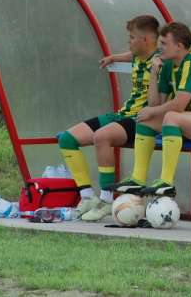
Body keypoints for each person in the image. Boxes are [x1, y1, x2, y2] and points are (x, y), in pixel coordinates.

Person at [106, 22, 191, 197]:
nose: (160, 47)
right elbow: (154, 105)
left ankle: (166, 182)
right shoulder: (168, 64)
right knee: (147, 120)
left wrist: (152, 111)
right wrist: (153, 74)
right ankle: (137, 179)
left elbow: (179, 104)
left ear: (179, 46)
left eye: (164, 44)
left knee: (172, 116)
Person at [57, 15, 160, 221]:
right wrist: (113, 58)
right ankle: (87, 196)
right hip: (123, 114)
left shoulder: (160, 60)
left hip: (142, 120)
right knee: (67, 139)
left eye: (132, 38)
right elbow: (132, 56)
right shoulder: (140, 55)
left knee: (102, 137)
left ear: (146, 40)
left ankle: (106, 199)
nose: (128, 42)